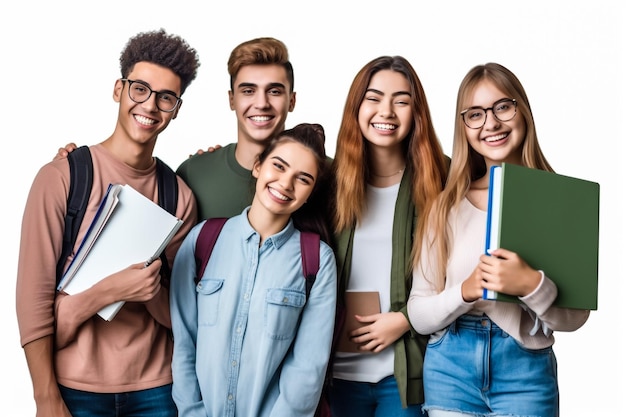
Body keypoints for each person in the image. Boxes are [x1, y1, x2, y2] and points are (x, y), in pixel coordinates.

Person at [16, 29, 200, 417]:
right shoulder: (63, 177)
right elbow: (32, 302)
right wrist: (45, 398)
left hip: (157, 390)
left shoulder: (179, 196)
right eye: (140, 89)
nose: (150, 106)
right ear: (119, 90)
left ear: (176, 109)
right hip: (73, 389)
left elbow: (181, 317)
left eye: (166, 97)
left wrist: (148, 292)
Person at [407, 63, 590, 417]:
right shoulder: (445, 206)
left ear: (523, 109)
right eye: (475, 114)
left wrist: (532, 285)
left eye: (502, 107)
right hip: (450, 367)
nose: (490, 123)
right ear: (464, 127)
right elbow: (418, 313)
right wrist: (466, 290)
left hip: (525, 371)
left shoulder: (564, 201)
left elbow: (575, 318)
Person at [169, 123, 337, 417]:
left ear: (310, 193)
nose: (285, 184)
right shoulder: (202, 240)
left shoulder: (318, 260)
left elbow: (308, 368)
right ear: (258, 166)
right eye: (279, 166)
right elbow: (184, 344)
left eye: (303, 179)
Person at [57, 37, 296, 222]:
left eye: (275, 91)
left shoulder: (326, 176)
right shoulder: (193, 174)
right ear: (231, 100)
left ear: (292, 101)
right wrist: (77, 168)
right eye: (248, 91)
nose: (262, 103)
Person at [327, 56, 449, 417]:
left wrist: (405, 319)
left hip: (406, 377)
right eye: (374, 97)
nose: (387, 112)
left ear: (417, 112)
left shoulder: (444, 179)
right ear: (356, 107)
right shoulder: (326, 183)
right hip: (335, 377)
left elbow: (463, 272)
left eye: (402, 100)